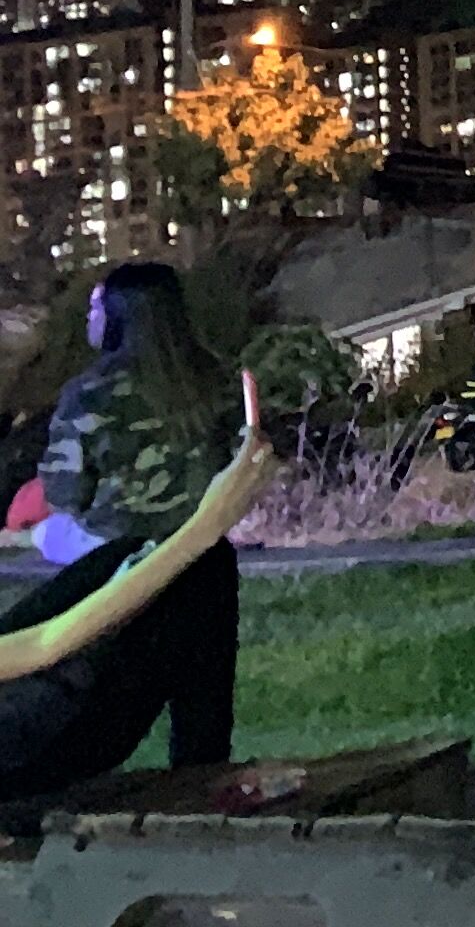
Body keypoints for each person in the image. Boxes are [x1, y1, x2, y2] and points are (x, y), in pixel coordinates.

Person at [30, 264, 245, 763]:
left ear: (118, 316)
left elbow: (64, 491)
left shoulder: (91, 393)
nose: (89, 316)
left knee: (49, 536)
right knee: (203, 711)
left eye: (95, 306)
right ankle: (201, 791)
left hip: (116, 563)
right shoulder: (218, 379)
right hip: (204, 557)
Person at [0, 419, 275, 800]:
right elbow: (45, 645)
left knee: (159, 559)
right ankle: (199, 786)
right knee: (200, 566)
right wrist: (204, 527)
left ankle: (201, 778)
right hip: (22, 757)